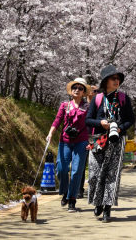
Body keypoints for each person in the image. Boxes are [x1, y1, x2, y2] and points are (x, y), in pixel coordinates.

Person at [85, 64, 135, 223]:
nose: (117, 81)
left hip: (116, 141)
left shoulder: (123, 98)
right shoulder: (98, 98)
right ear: (106, 80)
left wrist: (119, 128)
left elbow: (130, 119)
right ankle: (97, 202)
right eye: (113, 78)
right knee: (94, 174)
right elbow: (88, 119)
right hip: (98, 141)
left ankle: (107, 208)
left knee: (112, 176)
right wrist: (101, 123)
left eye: (118, 78)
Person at [46, 77, 90, 212]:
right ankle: (65, 192)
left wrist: (91, 141)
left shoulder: (88, 107)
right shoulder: (64, 105)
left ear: (84, 92)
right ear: (71, 91)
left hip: (81, 142)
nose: (77, 90)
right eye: (74, 88)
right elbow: (57, 120)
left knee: (77, 171)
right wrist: (50, 133)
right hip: (65, 141)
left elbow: (91, 125)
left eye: (80, 88)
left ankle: (72, 199)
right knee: (61, 169)